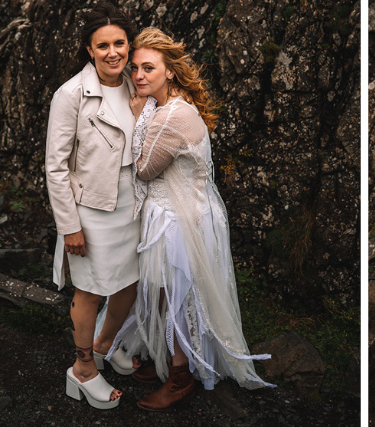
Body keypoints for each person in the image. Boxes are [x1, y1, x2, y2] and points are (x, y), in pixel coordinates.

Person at [107, 27, 272, 411]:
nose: (139, 76)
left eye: (149, 68)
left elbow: (145, 169)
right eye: (136, 68)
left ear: (170, 71)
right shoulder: (169, 107)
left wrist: (137, 118)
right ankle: (170, 359)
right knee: (168, 294)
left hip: (179, 222)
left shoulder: (168, 116)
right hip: (179, 214)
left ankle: (181, 375)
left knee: (177, 297)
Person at [45, 1, 142, 410]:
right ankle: (83, 368)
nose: (113, 52)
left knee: (130, 284)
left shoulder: (138, 83)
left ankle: (105, 344)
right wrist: (70, 226)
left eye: (119, 43)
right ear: (89, 49)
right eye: (103, 46)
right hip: (91, 210)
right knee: (89, 291)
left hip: (134, 203)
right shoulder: (71, 94)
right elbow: (55, 166)